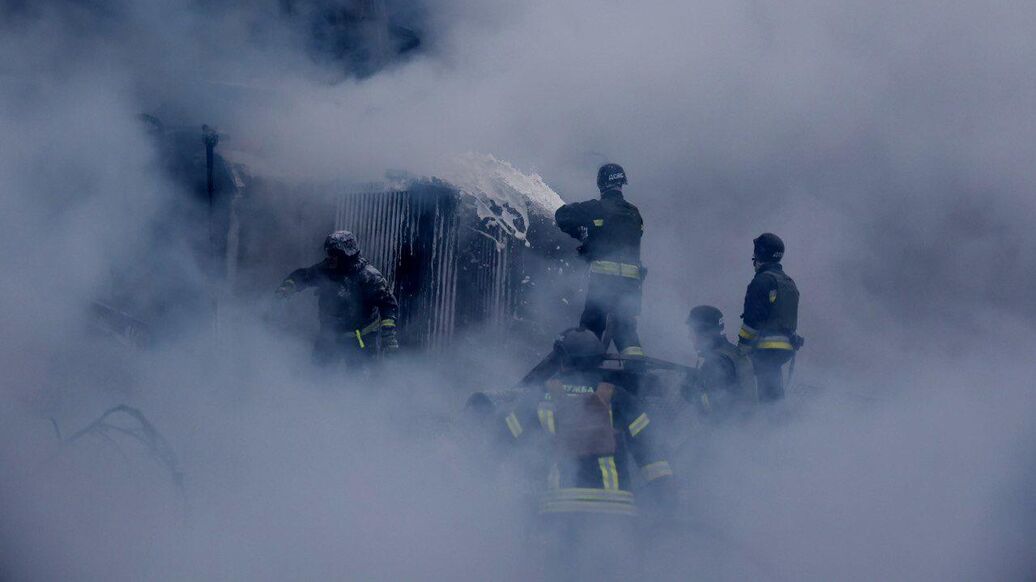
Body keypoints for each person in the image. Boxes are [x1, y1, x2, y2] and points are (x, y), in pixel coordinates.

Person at [499, 328, 675, 579]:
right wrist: (664, 500)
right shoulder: (620, 399)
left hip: (560, 511)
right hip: (616, 515)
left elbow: (501, 443)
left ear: (562, 359)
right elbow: (651, 455)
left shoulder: (539, 399)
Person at [555, 163, 645, 357]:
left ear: (601, 184)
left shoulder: (594, 209)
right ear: (622, 183)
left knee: (590, 329)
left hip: (604, 284)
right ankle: (637, 369)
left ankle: (585, 370)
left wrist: (582, 234)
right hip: (630, 287)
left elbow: (561, 215)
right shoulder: (635, 213)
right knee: (626, 331)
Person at [276, 230, 400, 367]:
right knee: (318, 375)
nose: (330, 257)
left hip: (361, 342)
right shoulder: (326, 270)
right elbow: (303, 276)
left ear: (347, 255)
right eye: (329, 253)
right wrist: (286, 289)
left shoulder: (369, 277)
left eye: (334, 254)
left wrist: (388, 335)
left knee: (358, 378)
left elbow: (388, 305)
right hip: (329, 339)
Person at [737, 233, 801, 401]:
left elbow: (752, 320)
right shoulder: (788, 282)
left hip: (765, 348)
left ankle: (759, 417)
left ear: (760, 254)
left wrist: (742, 347)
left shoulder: (762, 281)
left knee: (754, 391)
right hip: (785, 349)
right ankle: (777, 415)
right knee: (773, 392)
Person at [685, 305, 758, 414]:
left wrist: (693, 393)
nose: (689, 336)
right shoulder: (733, 352)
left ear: (703, 333)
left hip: (731, 424)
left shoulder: (716, 362)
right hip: (746, 421)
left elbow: (719, 409)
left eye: (692, 331)